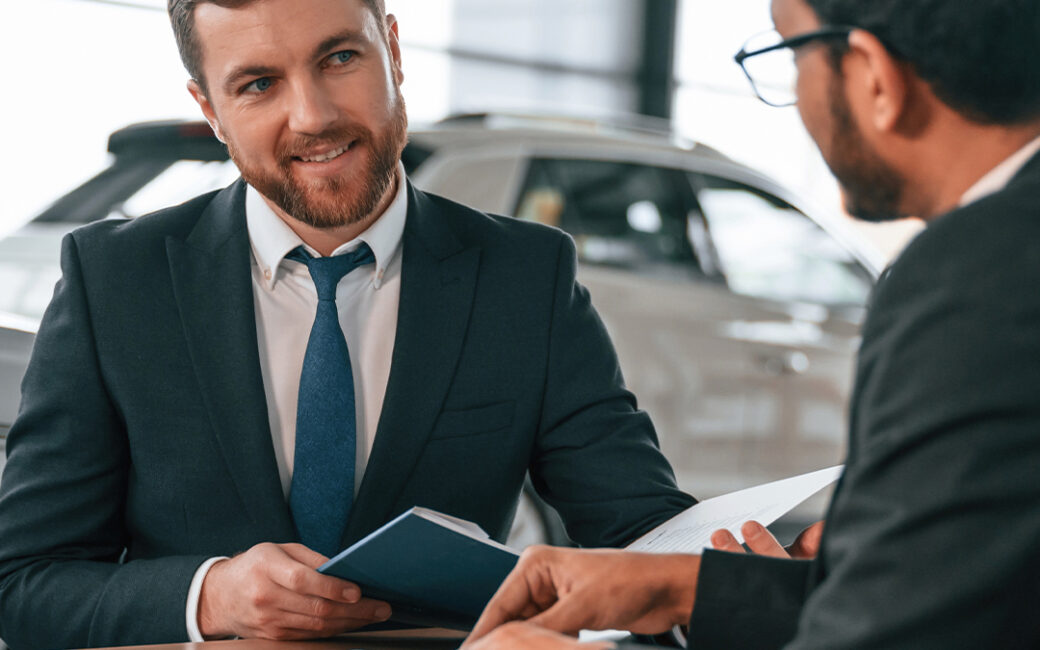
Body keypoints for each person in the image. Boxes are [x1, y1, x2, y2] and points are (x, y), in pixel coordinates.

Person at [0, 0, 696, 647]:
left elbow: (642, 535)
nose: (312, 116)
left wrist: (739, 577)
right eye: (258, 85)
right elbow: (24, 582)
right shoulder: (115, 280)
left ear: (391, 50)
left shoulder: (525, 275)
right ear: (210, 109)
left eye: (339, 58)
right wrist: (211, 595)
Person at [463, 0, 1040, 647]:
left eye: (791, 54)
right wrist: (683, 586)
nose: (795, 96)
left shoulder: (974, 275)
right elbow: (972, 586)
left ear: (873, 75)